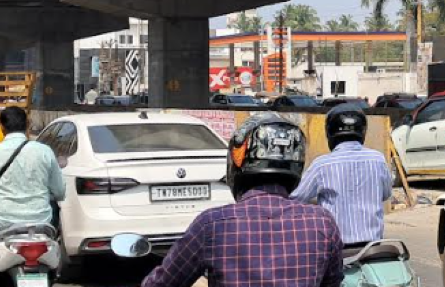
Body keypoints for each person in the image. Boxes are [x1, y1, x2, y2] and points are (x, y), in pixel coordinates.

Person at [143, 113, 343, 287]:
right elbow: (332, 282)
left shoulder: (211, 225)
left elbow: (163, 282)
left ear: (238, 161)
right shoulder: (323, 223)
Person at [0, 106, 65, 284]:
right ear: (28, 125)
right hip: (41, 224)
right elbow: (60, 191)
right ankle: (54, 246)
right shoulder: (45, 152)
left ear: (1, 127)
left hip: (4, 223)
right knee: (55, 205)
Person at [292, 104, 392, 248]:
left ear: (329, 132)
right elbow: (386, 194)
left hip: (336, 250)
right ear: (362, 131)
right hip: (372, 248)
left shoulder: (322, 164)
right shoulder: (378, 159)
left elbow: (296, 198)